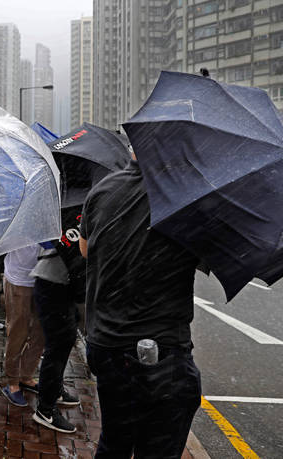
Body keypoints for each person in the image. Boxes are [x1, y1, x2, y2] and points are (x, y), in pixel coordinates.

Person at [78, 157, 201, 457]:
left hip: (106, 343)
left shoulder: (103, 189)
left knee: (114, 440)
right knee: (158, 448)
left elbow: (85, 249)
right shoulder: (186, 194)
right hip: (162, 352)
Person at [29, 245, 82, 433]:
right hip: (52, 283)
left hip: (61, 282)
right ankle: (45, 409)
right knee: (57, 346)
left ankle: (54, 391)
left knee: (65, 340)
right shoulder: (66, 218)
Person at [0, 245, 44, 407]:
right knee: (19, 331)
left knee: (40, 333)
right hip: (18, 278)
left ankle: (26, 375)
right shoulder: (17, 219)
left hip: (43, 277)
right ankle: (12, 381)